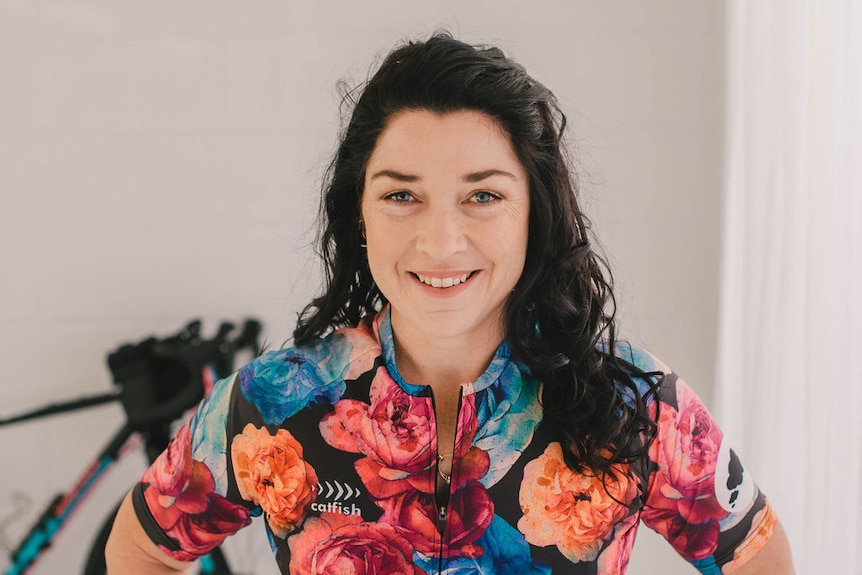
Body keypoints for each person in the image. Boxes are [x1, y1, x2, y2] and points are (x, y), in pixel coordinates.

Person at [105, 33, 794, 574]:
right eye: (402, 194)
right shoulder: (274, 403)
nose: (440, 239)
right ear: (361, 213)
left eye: (483, 195)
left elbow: (759, 560)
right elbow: (141, 549)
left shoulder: (635, 404)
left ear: (535, 213)